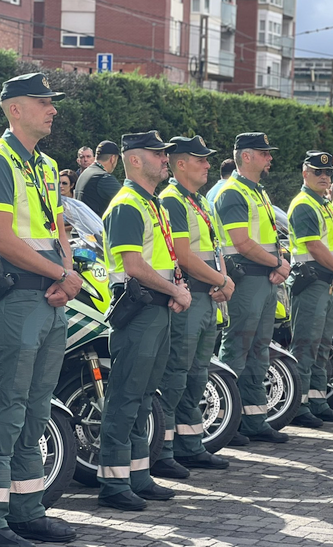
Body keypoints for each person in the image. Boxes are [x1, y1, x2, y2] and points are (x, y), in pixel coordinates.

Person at [0, 72, 83, 545]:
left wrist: (67, 277)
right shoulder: (1, 159)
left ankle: (27, 511)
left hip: (51, 300)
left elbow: (59, 232)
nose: (53, 108)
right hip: (18, 299)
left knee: (36, 410)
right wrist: (59, 276)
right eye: (43, 101)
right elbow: (4, 237)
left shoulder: (48, 166)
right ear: (14, 108)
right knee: (7, 407)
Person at [99, 130, 192, 511]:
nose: (165, 160)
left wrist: (177, 283)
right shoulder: (126, 204)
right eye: (157, 154)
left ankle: (137, 476)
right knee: (125, 398)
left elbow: (162, 259)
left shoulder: (151, 203)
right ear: (134, 160)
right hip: (138, 313)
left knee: (143, 398)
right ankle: (114, 485)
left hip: (157, 311)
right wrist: (174, 291)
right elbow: (134, 266)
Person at [151, 135, 233, 480]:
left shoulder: (198, 200)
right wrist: (220, 280)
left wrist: (222, 279)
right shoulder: (172, 200)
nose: (207, 165)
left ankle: (190, 444)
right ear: (179, 163)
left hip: (206, 297)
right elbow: (183, 255)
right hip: (189, 300)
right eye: (200, 159)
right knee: (176, 376)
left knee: (197, 375)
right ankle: (164, 451)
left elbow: (214, 248)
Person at [212, 132, 291, 443]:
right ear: (245, 157)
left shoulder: (258, 192)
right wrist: (276, 264)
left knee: (259, 350)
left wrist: (279, 263)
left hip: (265, 279)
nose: (269, 158)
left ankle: (254, 418)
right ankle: (227, 423)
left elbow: (272, 237)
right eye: (263, 153)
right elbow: (241, 243)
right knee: (237, 349)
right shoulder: (233, 192)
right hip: (247, 280)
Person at [285, 151, 333, 427]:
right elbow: (313, 245)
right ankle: (298, 407)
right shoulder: (304, 204)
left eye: (328, 173)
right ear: (305, 173)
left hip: (326, 284)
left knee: (322, 346)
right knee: (306, 345)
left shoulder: (324, 204)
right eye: (317, 172)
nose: (324, 177)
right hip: (312, 282)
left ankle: (317, 400)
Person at [73, 140, 123, 216]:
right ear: (112, 159)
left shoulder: (85, 174)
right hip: (96, 227)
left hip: (83, 225)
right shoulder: (103, 178)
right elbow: (127, 199)